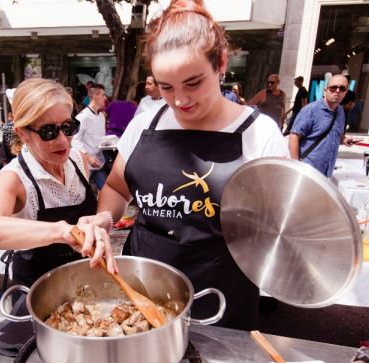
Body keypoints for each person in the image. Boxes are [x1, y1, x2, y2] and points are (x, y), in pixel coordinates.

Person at [78, 0, 289, 331]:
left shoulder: (259, 133)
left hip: (220, 300)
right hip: (142, 296)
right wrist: (104, 219)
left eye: (193, 83)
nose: (180, 100)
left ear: (220, 63)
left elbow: (277, 222)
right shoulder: (144, 124)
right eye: (166, 87)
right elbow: (118, 187)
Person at [0, 78, 115, 288]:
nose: (62, 140)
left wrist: (100, 220)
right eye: (48, 131)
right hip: (38, 287)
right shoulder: (13, 178)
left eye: (68, 127)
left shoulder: (78, 160)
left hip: (84, 278)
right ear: (22, 133)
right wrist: (61, 232)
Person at [288, 74, 354, 177]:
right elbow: (294, 137)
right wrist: (296, 167)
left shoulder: (340, 111)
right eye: (333, 87)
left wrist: (344, 140)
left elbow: (336, 134)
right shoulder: (311, 110)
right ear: (325, 90)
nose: (337, 91)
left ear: (345, 92)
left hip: (326, 172)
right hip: (307, 170)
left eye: (342, 88)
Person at [72, 83, 109, 190]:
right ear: (94, 96)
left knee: (106, 191)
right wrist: (88, 157)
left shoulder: (102, 116)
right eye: (103, 95)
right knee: (80, 195)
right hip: (85, 165)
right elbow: (74, 140)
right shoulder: (82, 117)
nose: (105, 98)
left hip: (99, 162)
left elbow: (101, 138)